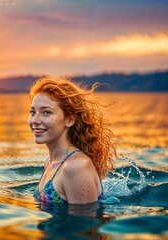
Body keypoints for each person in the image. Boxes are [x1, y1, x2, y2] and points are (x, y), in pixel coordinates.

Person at [30, 76, 117, 205]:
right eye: (32, 112)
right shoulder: (49, 161)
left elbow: (86, 223)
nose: (35, 121)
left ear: (69, 120)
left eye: (46, 112)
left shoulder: (76, 167)